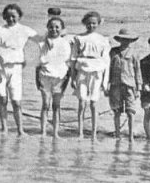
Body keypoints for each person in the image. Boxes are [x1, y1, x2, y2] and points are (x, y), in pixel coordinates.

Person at [0, 3, 38, 135]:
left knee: (16, 102)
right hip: (1, 68)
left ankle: (20, 129)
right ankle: (4, 128)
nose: (10, 19)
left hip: (16, 68)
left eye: (14, 16)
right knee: (3, 99)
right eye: (7, 16)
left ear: (19, 16)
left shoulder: (25, 29)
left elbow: (41, 39)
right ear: (4, 17)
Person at [71, 11, 111, 140]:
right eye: (88, 23)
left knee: (94, 103)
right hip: (82, 70)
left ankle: (94, 133)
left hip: (97, 71)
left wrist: (105, 82)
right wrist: (72, 77)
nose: (91, 26)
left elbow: (106, 62)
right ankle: (80, 132)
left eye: (94, 23)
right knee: (82, 102)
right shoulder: (78, 38)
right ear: (84, 23)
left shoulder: (103, 39)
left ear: (98, 24)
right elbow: (73, 59)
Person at [36, 16, 74, 138]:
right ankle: (43, 132)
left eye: (57, 27)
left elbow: (68, 63)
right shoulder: (42, 42)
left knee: (56, 106)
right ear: (47, 28)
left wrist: (68, 80)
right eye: (51, 27)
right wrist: (37, 79)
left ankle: (55, 132)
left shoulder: (66, 42)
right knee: (45, 104)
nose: (54, 29)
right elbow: (38, 64)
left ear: (62, 29)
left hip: (60, 77)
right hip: (45, 76)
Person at [108, 29, 142, 141]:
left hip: (130, 85)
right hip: (115, 85)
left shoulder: (134, 53)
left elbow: (138, 71)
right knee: (116, 111)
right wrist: (106, 84)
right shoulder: (113, 52)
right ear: (119, 39)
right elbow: (109, 69)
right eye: (123, 39)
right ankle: (117, 134)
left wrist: (139, 88)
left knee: (130, 112)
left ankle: (131, 136)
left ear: (131, 41)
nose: (125, 41)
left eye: (128, 39)